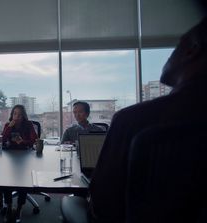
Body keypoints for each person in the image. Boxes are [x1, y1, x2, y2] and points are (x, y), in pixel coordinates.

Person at [88, 17, 207, 223]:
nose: (169, 55)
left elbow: (102, 203)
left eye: (178, 45)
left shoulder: (134, 120)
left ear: (192, 50)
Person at [0, 104, 38, 222]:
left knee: (23, 181)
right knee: (7, 180)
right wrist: (9, 128)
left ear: (24, 116)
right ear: (12, 114)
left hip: (25, 155)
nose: (17, 116)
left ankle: (20, 207)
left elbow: (34, 140)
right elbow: (3, 139)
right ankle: (9, 205)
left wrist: (23, 141)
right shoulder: (8, 125)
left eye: (20, 114)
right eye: (15, 113)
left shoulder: (28, 125)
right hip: (10, 155)